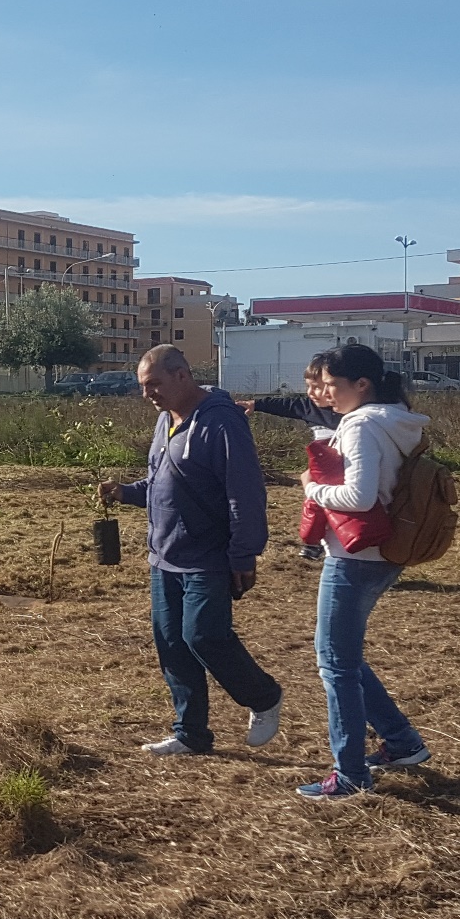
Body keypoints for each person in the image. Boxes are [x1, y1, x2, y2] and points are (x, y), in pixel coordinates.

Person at [97, 346, 283, 759]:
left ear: (183, 375)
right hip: (164, 555)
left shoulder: (222, 421)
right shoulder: (167, 420)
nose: (149, 395)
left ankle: (264, 696)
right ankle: (190, 733)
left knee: (203, 636)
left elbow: (245, 493)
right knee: (172, 644)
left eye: (155, 385)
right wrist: (125, 493)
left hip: (209, 555)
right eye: (144, 387)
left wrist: (244, 554)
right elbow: (158, 482)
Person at [294, 342, 432, 801]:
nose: (326, 393)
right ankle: (401, 742)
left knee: (334, 664)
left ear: (362, 384)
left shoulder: (359, 426)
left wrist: (313, 489)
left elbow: (358, 497)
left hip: (353, 558)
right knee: (345, 658)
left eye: (332, 385)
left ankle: (349, 773)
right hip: (385, 554)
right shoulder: (397, 420)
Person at [242, 356, 342, 563]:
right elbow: (287, 405)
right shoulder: (309, 407)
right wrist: (256, 404)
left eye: (317, 387)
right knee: (313, 506)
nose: (311, 393)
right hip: (322, 468)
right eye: (308, 387)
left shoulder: (351, 411)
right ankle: (313, 544)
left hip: (349, 469)